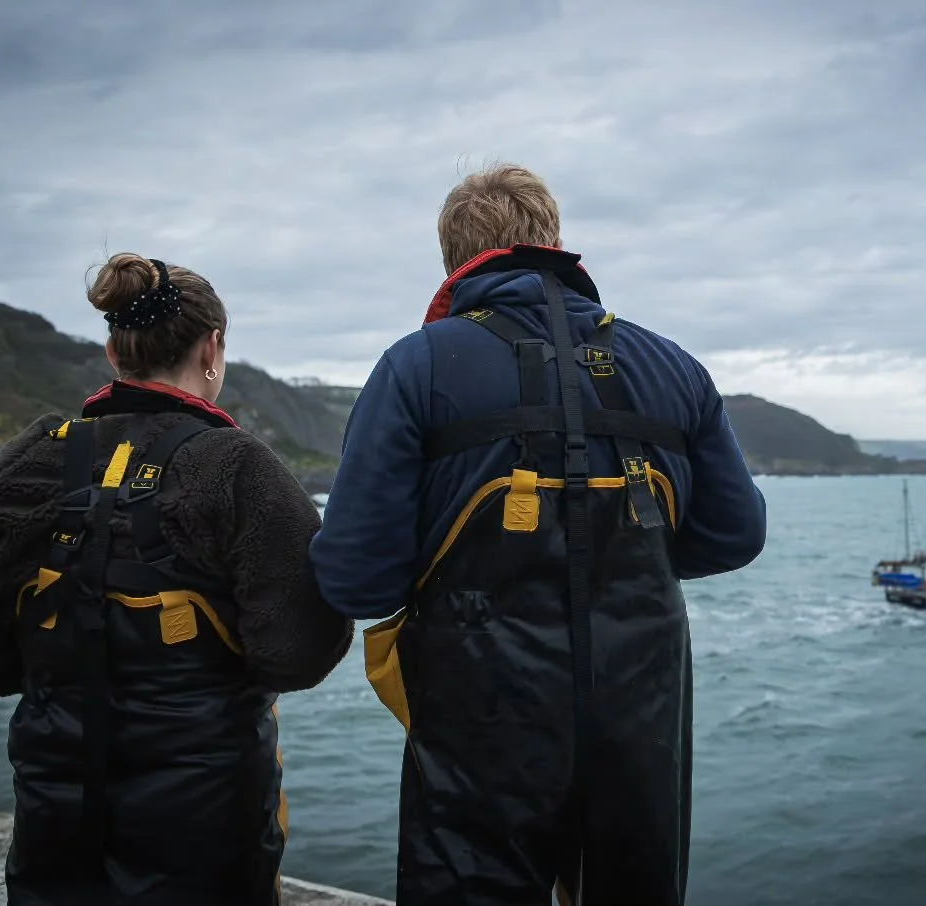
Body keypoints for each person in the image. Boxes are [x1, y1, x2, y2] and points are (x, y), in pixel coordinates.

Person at [310, 164, 767, 905]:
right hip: (641, 711)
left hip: (480, 721)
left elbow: (357, 579)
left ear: (456, 261)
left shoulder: (416, 366)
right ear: (553, 240)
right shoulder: (674, 366)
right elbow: (736, 534)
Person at [0, 253, 354, 906]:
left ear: (115, 352)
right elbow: (297, 651)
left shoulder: (25, 459)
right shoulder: (237, 468)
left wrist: (47, 676)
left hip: (52, 802)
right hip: (208, 817)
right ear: (213, 349)